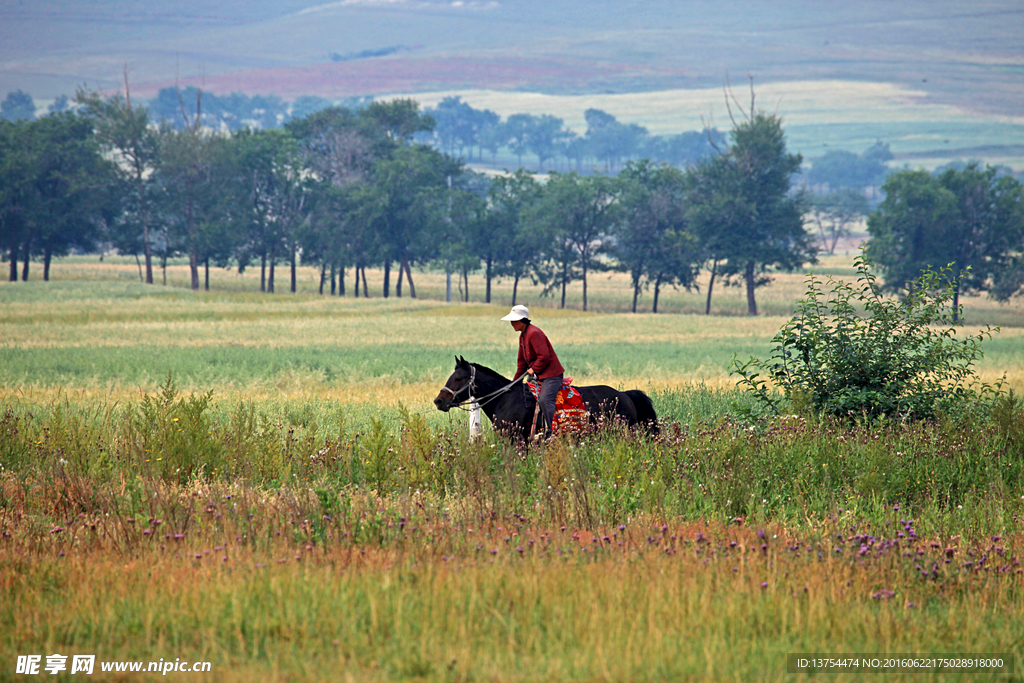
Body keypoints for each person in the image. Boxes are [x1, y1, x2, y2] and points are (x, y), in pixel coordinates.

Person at [500, 304, 564, 438]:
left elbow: (544, 357)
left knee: (545, 400)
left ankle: (551, 432)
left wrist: (534, 369)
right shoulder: (523, 335)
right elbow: (522, 363)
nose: (511, 323)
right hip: (540, 376)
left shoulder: (534, 333)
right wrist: (514, 383)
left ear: (522, 320)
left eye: (514, 320)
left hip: (551, 376)